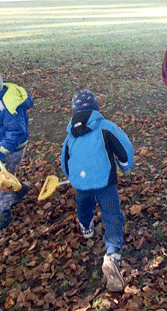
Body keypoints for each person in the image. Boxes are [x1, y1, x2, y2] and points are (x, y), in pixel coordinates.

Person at [61, 90, 134, 291]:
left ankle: (86, 227)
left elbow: (64, 161)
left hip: (82, 185)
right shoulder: (105, 127)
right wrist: (126, 166)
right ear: (96, 108)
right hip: (105, 182)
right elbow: (124, 147)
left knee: (83, 205)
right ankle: (112, 255)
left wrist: (71, 177)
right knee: (112, 216)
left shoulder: (70, 136)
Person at [0, 74, 34, 230]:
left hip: (12, 149)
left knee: (3, 180)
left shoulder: (9, 104)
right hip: (3, 144)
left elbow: (16, 131)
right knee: (7, 176)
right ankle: (21, 188)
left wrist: (2, 152)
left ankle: (3, 212)